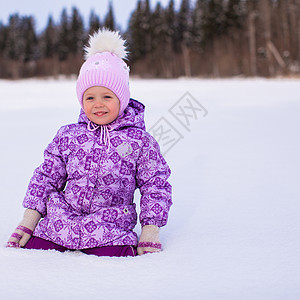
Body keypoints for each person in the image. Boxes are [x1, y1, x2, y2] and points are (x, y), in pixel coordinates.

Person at [6, 29, 172, 257]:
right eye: (90, 97)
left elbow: (155, 185)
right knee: (34, 254)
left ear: (122, 99)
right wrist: (29, 220)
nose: (98, 104)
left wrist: (150, 230)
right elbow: (46, 177)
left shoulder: (139, 142)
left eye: (107, 96)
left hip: (111, 226)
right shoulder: (68, 136)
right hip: (61, 224)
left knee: (118, 256)